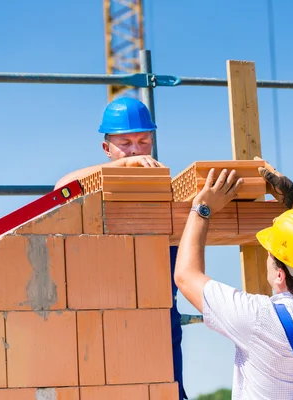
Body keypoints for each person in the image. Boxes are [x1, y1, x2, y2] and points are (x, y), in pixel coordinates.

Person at [173, 165, 293, 399]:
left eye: (269, 254)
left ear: (280, 275)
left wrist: (202, 208)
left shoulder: (261, 319)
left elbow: (186, 275)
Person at [55, 96, 188, 400]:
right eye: (125, 143)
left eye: (143, 141)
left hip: (160, 317)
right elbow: (61, 188)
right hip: (108, 315)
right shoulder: (95, 184)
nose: (136, 150)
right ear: (107, 148)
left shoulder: (167, 190)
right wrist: (124, 166)